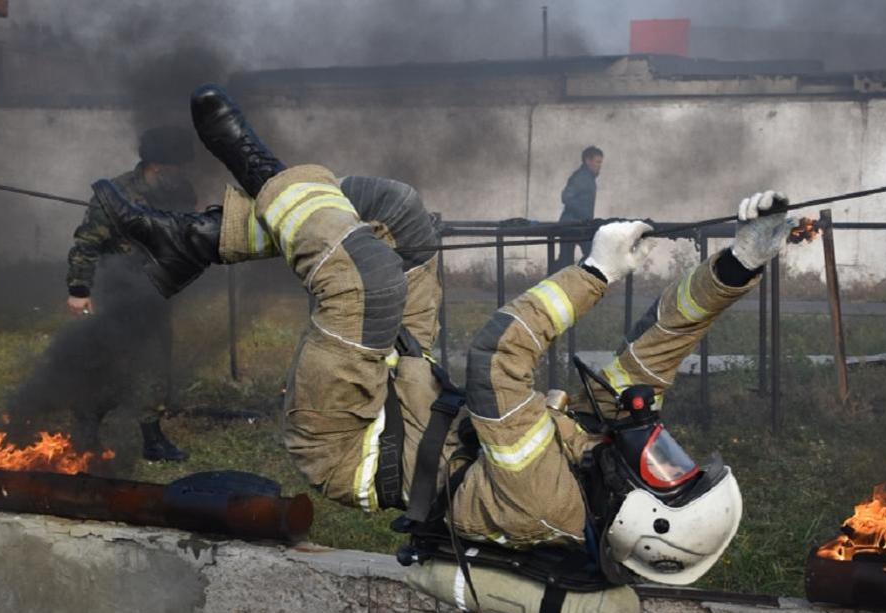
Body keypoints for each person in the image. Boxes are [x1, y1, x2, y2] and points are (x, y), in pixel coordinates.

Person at [93, 85, 796, 585]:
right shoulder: (600, 465)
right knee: (404, 220)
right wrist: (745, 258)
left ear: (647, 518)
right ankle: (194, 238)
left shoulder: (551, 496)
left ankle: (254, 167)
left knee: (364, 277)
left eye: (669, 473)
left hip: (351, 434)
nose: (663, 452)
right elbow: (664, 342)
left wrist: (593, 271)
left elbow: (498, 361)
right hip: (414, 392)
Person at [65, 126, 198, 461]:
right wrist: (79, 290)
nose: (180, 174)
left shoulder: (180, 192)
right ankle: (87, 431)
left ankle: (152, 439)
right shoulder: (116, 194)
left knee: (154, 367)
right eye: (175, 167)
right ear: (156, 165)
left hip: (155, 293)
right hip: (118, 293)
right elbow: (86, 244)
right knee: (110, 366)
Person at [556, 146, 603, 268]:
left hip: (577, 224)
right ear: (588, 160)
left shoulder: (587, 177)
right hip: (573, 225)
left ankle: (567, 278)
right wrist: (583, 216)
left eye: (600, 162)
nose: (599, 165)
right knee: (591, 256)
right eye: (597, 162)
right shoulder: (581, 177)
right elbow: (566, 197)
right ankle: (574, 276)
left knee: (565, 261)